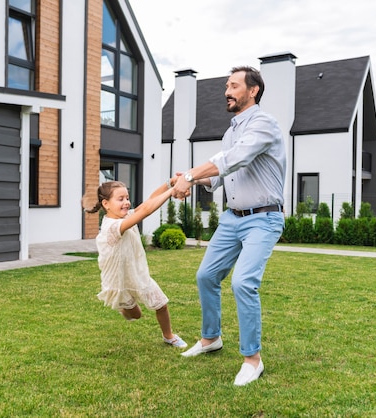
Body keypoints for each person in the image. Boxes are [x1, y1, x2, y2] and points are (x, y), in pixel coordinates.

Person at [172, 66, 286, 386]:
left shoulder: (264, 124)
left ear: (253, 91)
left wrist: (190, 175)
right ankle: (211, 339)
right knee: (206, 276)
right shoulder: (231, 131)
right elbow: (220, 176)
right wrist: (189, 179)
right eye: (226, 85)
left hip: (263, 219)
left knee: (242, 283)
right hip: (232, 219)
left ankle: (253, 359)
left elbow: (234, 159)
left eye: (234, 85)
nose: (227, 91)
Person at [83, 180, 187, 349]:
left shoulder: (125, 217)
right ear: (106, 204)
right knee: (135, 315)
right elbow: (146, 211)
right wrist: (173, 191)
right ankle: (124, 308)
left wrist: (169, 184)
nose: (126, 202)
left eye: (127, 198)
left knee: (161, 304)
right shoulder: (113, 226)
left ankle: (169, 336)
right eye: (120, 199)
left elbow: (148, 202)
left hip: (137, 275)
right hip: (119, 281)